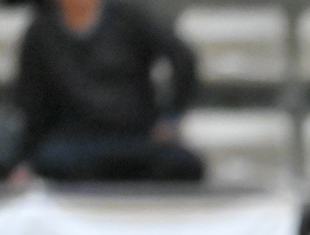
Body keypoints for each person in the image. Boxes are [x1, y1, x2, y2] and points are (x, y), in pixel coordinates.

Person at [13, 0, 204, 184]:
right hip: (75, 142)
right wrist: (27, 156)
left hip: (136, 137)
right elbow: (32, 100)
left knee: (183, 164)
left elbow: (182, 58)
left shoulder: (129, 17)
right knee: (50, 162)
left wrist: (171, 116)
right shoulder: (41, 32)